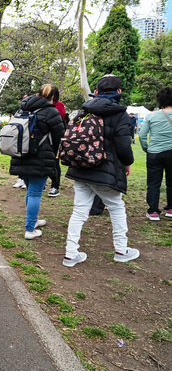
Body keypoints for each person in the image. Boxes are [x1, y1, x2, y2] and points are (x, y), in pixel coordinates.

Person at [62, 74, 138, 267]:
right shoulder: (120, 114)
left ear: (96, 92)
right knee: (116, 208)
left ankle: (71, 253)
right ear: (119, 92)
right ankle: (121, 250)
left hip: (80, 167)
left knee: (79, 211)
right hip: (106, 169)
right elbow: (123, 145)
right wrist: (127, 163)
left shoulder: (85, 111)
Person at [9, 85, 64, 240]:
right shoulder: (51, 112)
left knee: (31, 191)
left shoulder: (22, 109)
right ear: (52, 98)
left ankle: (32, 221)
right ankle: (29, 229)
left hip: (21, 155)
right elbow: (59, 135)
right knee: (35, 193)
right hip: (41, 157)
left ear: (37, 94)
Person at [138, 86, 172, 221]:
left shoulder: (151, 116)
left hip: (155, 153)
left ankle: (153, 211)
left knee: (153, 183)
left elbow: (141, 135)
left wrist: (147, 148)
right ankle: (170, 209)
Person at [48, 85, 67, 198]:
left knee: (54, 162)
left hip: (55, 138)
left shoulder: (59, 106)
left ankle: (55, 186)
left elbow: (56, 120)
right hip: (44, 138)